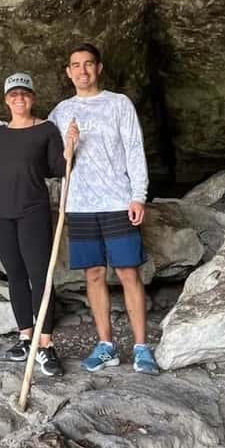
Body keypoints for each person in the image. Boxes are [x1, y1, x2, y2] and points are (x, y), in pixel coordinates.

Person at [49, 43, 161, 375]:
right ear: (68, 72)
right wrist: (67, 146)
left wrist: (138, 195)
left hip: (117, 201)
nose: (82, 70)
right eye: (75, 65)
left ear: (98, 68)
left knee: (128, 272)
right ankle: (106, 345)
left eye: (88, 64)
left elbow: (134, 149)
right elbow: (50, 154)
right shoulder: (62, 111)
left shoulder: (118, 104)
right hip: (80, 205)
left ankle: (141, 347)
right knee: (94, 274)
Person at [0, 72, 73, 377]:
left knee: (41, 276)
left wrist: (69, 147)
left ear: (33, 97)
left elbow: (59, 168)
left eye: (24, 93)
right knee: (15, 275)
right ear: (6, 100)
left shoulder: (46, 129)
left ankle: (45, 343)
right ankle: (25, 336)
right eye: (13, 94)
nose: (19, 98)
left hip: (32, 211)